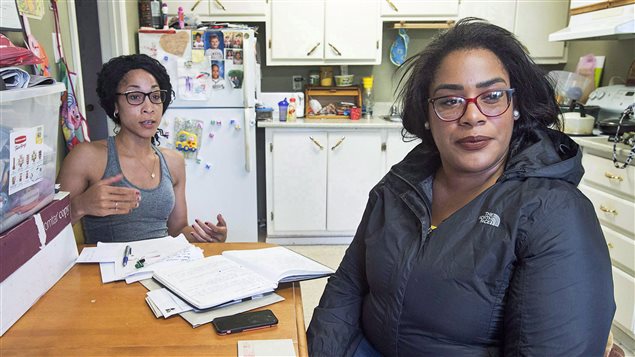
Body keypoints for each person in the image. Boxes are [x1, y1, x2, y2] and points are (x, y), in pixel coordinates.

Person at [307, 18, 615, 356]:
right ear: (427, 114)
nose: (472, 116)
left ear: (516, 107)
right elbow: (349, 284)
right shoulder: (399, 184)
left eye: (493, 96)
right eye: (450, 100)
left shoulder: (555, 213)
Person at [57, 54, 228, 244]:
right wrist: (81, 206)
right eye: (135, 97)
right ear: (115, 105)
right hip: (110, 271)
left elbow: (177, 229)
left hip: (162, 268)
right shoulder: (87, 157)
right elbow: (46, 232)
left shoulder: (174, 161)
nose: (149, 107)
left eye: (155, 96)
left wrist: (206, 237)